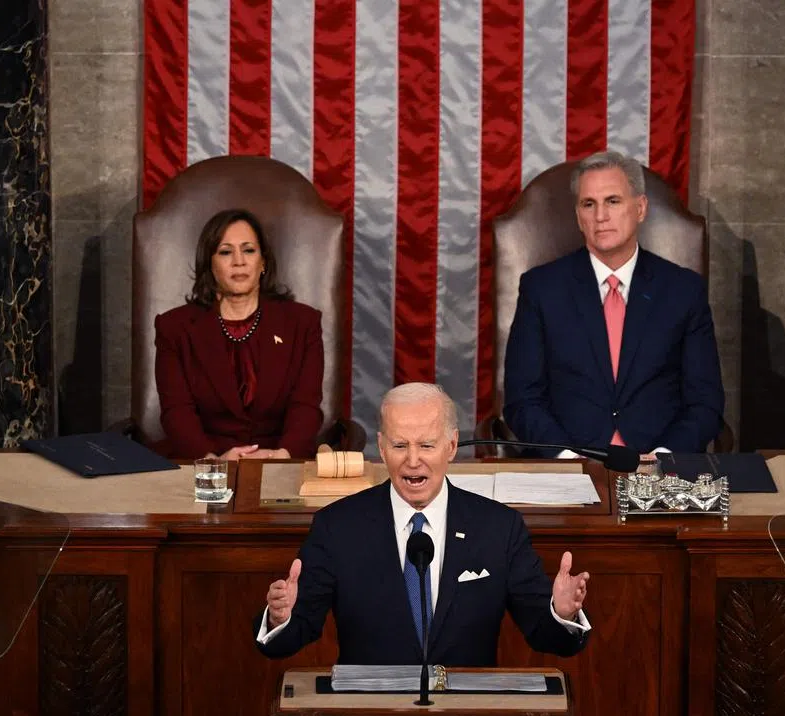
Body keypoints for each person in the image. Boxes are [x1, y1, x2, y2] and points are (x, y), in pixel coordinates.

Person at [253, 383, 591, 666]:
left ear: (451, 446)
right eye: (400, 446)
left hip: (467, 715)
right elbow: (291, 634)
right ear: (382, 448)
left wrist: (562, 613)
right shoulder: (338, 526)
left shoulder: (498, 527)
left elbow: (545, 632)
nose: (413, 461)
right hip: (370, 714)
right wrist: (279, 617)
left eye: (427, 445)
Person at [503, 151, 724, 455]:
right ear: (578, 216)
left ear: (640, 208)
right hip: (568, 465)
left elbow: (705, 403)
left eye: (613, 201)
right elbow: (522, 400)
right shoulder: (541, 288)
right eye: (588, 204)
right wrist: (566, 459)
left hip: (658, 464)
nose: (600, 216)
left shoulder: (683, 290)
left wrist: (664, 457)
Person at [153, 208, 324, 460]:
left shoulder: (303, 323)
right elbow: (176, 412)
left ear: (263, 262)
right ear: (209, 264)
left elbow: (306, 406)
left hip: (281, 460)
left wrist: (281, 456)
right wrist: (212, 462)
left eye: (248, 250)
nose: (239, 261)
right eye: (225, 252)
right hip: (203, 463)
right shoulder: (174, 328)